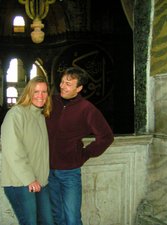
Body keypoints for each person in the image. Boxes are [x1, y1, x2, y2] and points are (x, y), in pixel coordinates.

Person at [46, 67, 114, 225]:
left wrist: (84, 154)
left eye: (68, 84)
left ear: (79, 88)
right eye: (62, 82)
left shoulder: (87, 109)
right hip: (47, 171)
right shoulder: (51, 102)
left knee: (72, 218)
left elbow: (106, 137)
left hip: (69, 173)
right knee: (57, 216)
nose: (62, 86)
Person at [0, 76, 54, 225]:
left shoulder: (41, 117)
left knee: (48, 222)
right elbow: (13, 150)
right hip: (21, 183)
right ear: (28, 93)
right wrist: (29, 178)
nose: (40, 96)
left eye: (44, 92)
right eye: (36, 91)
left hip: (40, 182)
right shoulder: (16, 114)